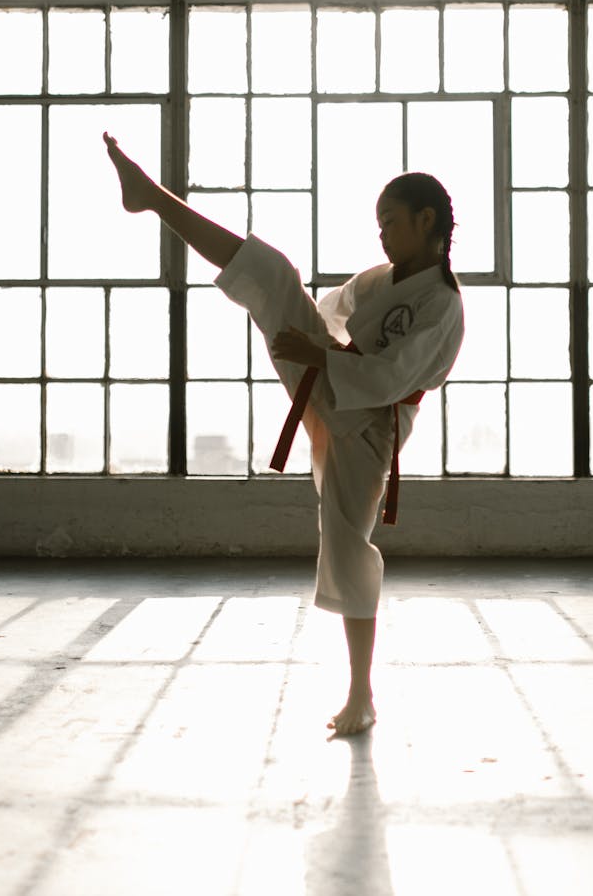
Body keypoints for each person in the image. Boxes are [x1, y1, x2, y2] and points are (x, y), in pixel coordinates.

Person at [103, 131, 464, 737]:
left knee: (348, 546)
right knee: (274, 274)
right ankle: (156, 199)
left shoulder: (443, 305)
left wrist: (317, 356)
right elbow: (330, 312)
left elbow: (390, 376)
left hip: (373, 424)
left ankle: (361, 695)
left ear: (427, 220)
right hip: (332, 380)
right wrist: (308, 343)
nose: (382, 234)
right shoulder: (384, 278)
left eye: (392, 222)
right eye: (378, 223)